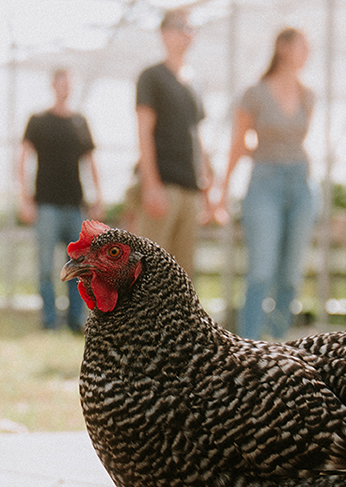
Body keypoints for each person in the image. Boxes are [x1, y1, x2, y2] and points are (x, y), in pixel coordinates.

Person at [216, 27, 317, 340]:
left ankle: (279, 343)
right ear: (284, 48)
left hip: (301, 184)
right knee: (261, 268)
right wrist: (222, 192)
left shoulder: (308, 95)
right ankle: (249, 344)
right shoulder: (255, 93)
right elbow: (237, 144)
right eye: (303, 46)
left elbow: (297, 140)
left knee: (290, 275)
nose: (307, 53)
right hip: (264, 184)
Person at [16, 68, 104, 332]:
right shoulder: (38, 121)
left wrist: (98, 197)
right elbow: (22, 160)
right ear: (53, 85)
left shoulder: (80, 122)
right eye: (62, 82)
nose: (66, 87)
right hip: (46, 206)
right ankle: (49, 321)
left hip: (74, 206)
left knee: (78, 269)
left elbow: (91, 162)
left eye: (70, 82)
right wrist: (25, 199)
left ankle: (76, 321)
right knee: (45, 266)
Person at [133, 7, 212, 278]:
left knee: (182, 274)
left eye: (191, 28)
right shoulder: (151, 77)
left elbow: (196, 134)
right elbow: (144, 132)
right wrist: (151, 184)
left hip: (190, 188)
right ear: (164, 34)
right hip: (163, 185)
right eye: (181, 27)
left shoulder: (195, 81)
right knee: (149, 270)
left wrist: (209, 180)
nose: (187, 33)